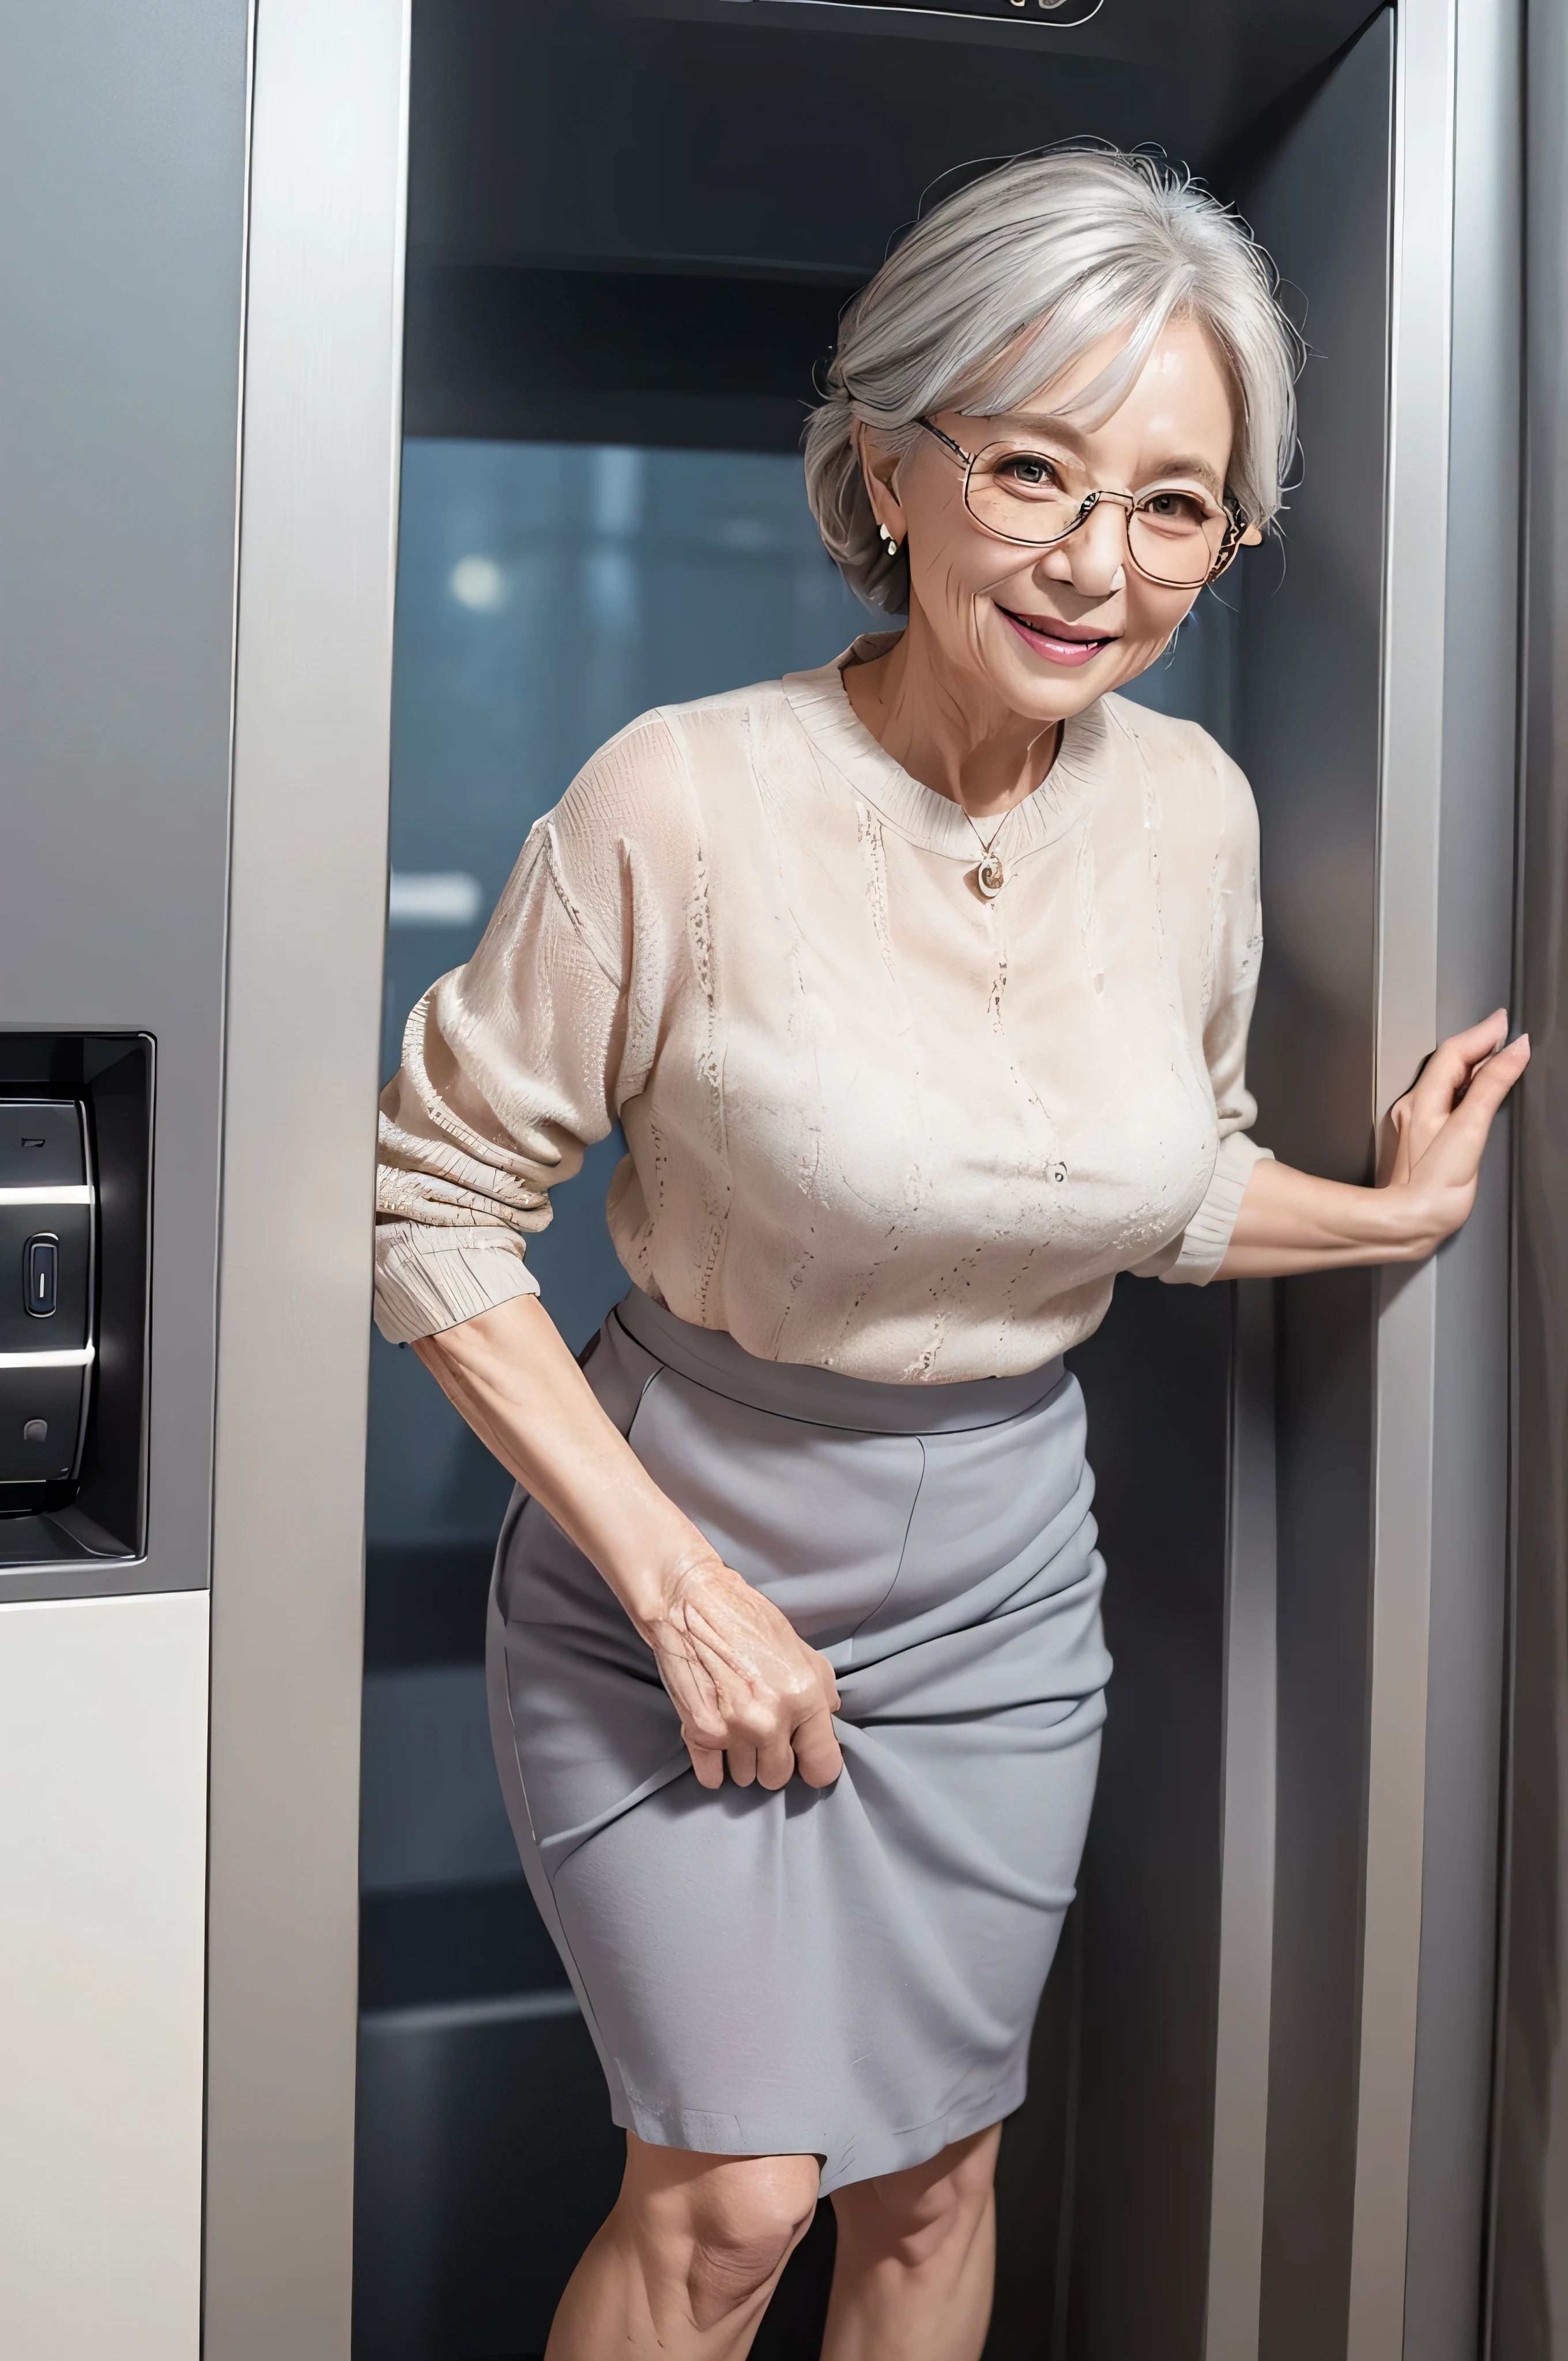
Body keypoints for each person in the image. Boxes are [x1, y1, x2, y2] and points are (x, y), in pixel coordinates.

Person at [372, 149, 1528, 2361]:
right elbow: (435, 1201)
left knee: (932, 2182)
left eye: (1175, 505)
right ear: (891, 471)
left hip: (1003, 1587)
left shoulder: (1191, 813)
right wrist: (683, 1586)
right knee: (728, 2207)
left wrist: (1390, 1209)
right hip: (673, 1549)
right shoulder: (675, 803)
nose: (1100, 565)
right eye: (1033, 471)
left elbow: (1149, 1179)